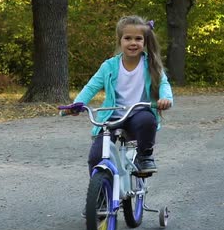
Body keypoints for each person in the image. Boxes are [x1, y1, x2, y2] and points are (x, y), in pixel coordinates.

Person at [69, 15, 173, 175]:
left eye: (138, 38)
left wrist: (166, 99)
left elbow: (163, 84)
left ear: (144, 42)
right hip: (112, 117)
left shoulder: (151, 65)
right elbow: (91, 87)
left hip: (138, 114)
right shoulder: (109, 66)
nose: (133, 42)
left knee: (147, 120)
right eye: (128, 38)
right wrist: (77, 104)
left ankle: (144, 156)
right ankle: (100, 194)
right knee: (96, 157)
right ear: (120, 41)